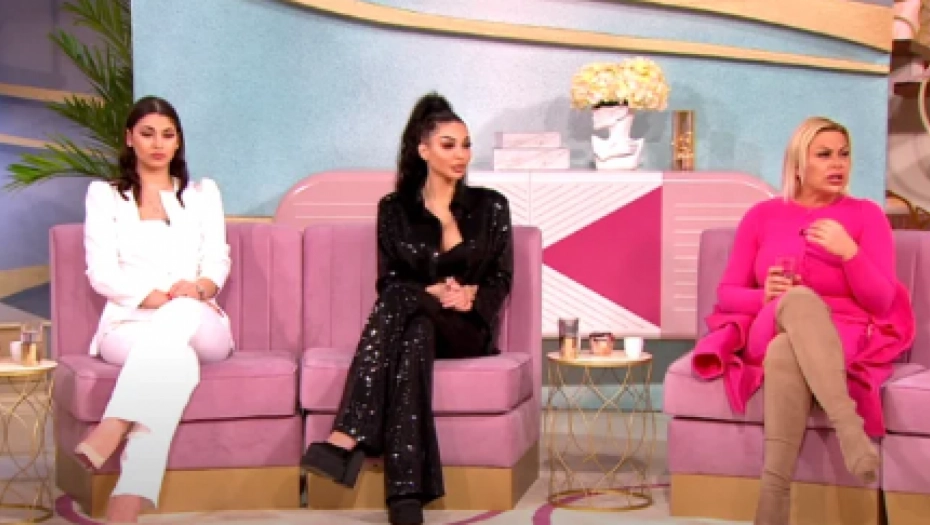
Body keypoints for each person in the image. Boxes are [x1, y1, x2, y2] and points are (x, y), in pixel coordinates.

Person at [300, 92, 514, 525]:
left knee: (402, 301)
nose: (461, 154)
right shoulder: (394, 210)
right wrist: (431, 291)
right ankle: (405, 499)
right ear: (423, 150)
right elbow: (389, 280)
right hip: (419, 321)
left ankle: (347, 434)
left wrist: (470, 296)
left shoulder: (491, 206)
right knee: (414, 331)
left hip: (467, 329)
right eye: (448, 145)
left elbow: (501, 277)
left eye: (466, 144)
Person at [690, 116, 916, 525]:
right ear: (798, 164)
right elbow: (727, 293)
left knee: (785, 352)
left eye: (844, 154)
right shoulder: (762, 216)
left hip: (841, 334)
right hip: (770, 320)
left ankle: (772, 502)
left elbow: (882, 301)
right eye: (824, 155)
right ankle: (850, 428)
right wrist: (765, 295)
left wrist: (850, 254)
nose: (838, 164)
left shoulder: (866, 216)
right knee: (795, 302)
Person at [75, 96, 233, 523]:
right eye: (147, 134)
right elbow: (101, 273)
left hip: (199, 319)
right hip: (129, 324)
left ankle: (114, 422)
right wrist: (154, 296)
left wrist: (197, 288)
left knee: (182, 313)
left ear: (178, 141)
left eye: (167, 134)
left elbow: (217, 261)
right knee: (174, 363)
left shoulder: (201, 195)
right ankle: (130, 496)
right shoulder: (106, 196)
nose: (158, 143)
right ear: (130, 138)